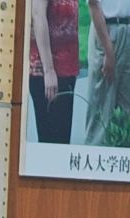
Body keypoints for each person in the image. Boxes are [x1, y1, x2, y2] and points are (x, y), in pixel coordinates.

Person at [83, 0, 130, 146]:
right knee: (102, 108)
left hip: (128, 28)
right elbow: (93, 5)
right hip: (107, 30)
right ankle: (95, 155)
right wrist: (108, 50)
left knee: (125, 112)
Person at [28, 0, 81, 145]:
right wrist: (49, 70)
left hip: (67, 70)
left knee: (62, 140)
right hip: (47, 72)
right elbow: (38, 15)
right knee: (50, 140)